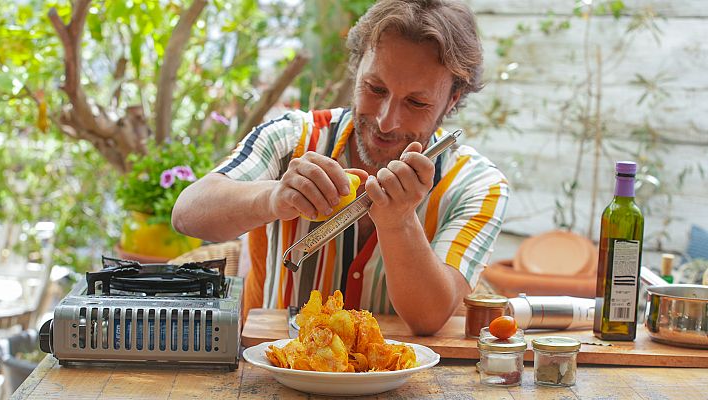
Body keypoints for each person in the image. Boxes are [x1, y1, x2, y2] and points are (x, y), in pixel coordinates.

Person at [172, 0, 509, 335]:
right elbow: (187, 214)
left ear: (452, 99)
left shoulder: (476, 185)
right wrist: (274, 197)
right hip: (277, 369)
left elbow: (430, 318)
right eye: (375, 89)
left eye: (416, 103)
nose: (386, 121)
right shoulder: (291, 139)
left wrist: (400, 223)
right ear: (356, 66)